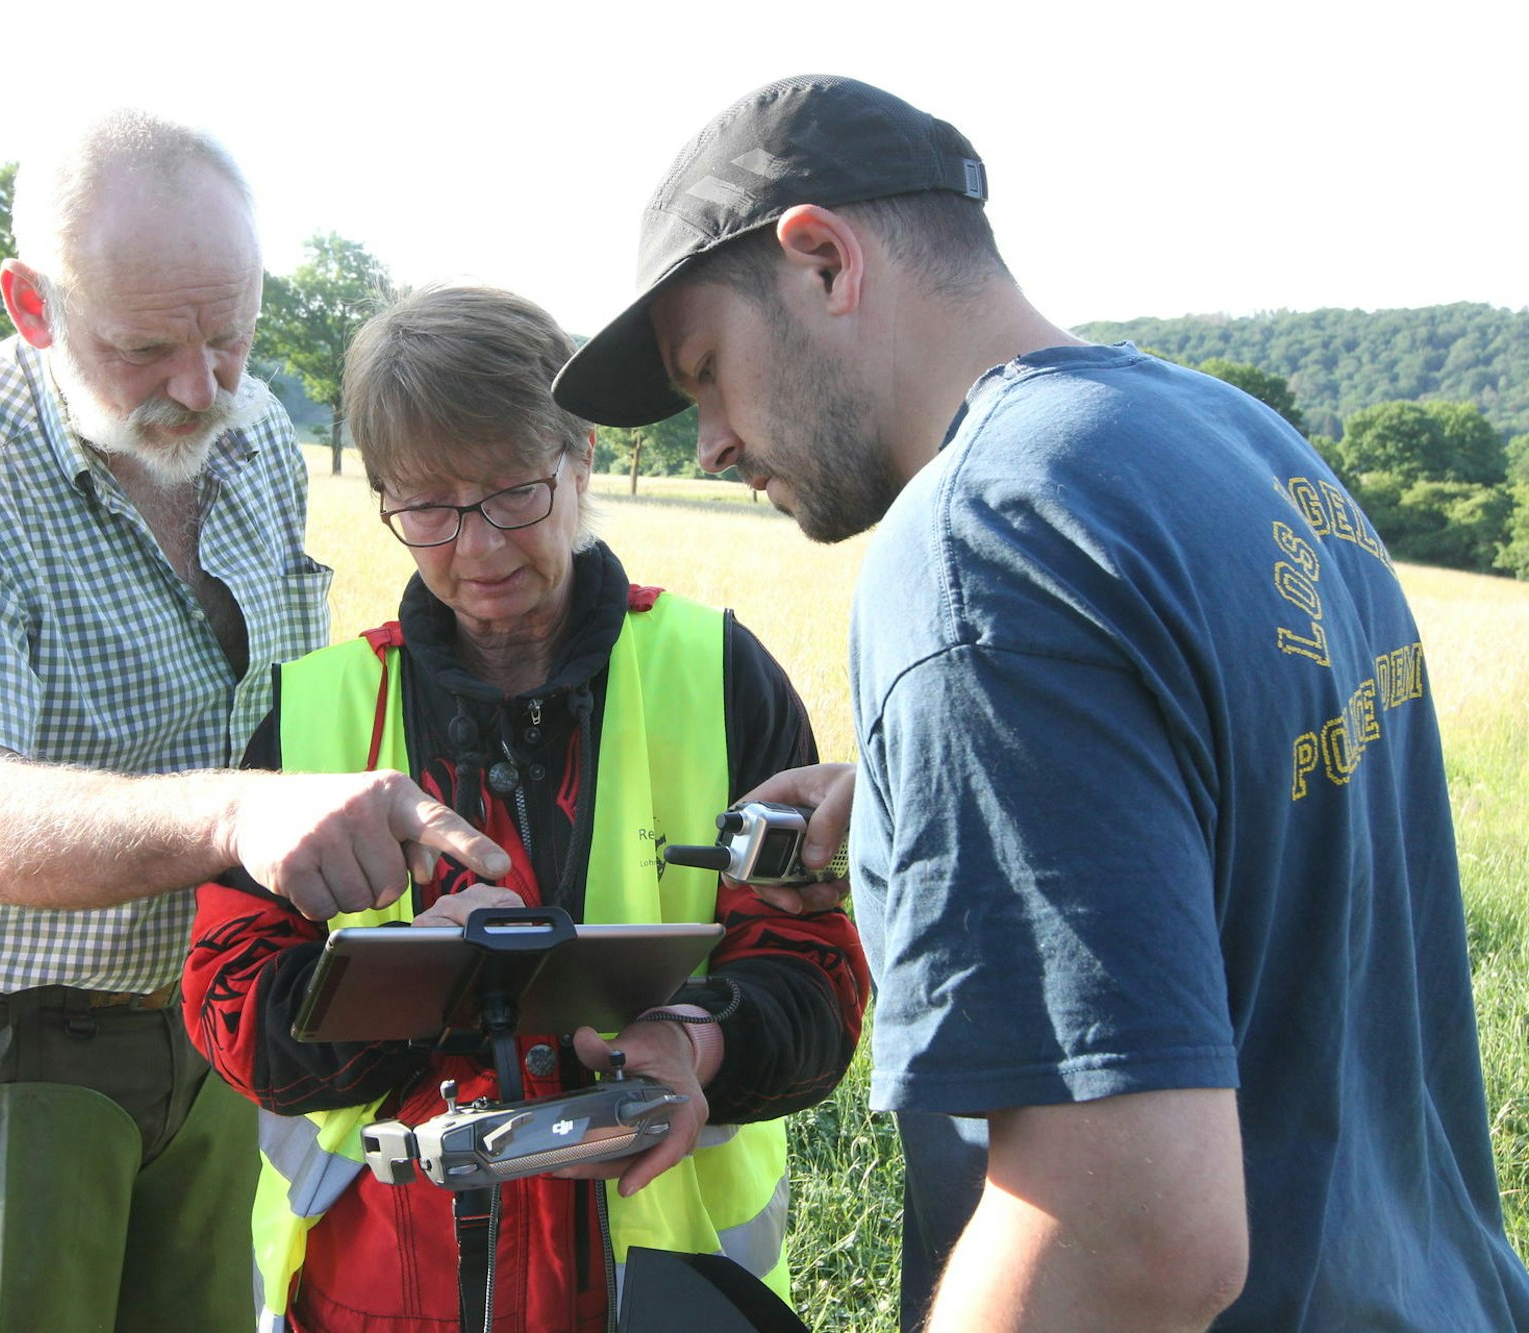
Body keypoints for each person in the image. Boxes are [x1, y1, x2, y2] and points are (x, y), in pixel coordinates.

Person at [552, 74, 1529, 1332]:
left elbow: (1128, 1230)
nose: (709, 446)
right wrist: (918, 800)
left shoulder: (978, 540)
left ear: (821, 259)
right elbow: (1239, 821)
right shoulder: (1245, 448)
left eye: (705, 372)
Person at [0, 111, 507, 1333]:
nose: (201, 388)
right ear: (31, 305)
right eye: (145, 348)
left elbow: (292, 715)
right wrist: (239, 812)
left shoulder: (253, 442)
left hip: (214, 1030)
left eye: (230, 335)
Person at [182, 284, 869, 1333]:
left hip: (662, 1293)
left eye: (513, 492)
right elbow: (227, 1007)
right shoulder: (315, 710)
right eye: (427, 506)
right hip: (372, 1298)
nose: (479, 547)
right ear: (381, 499)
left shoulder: (717, 673)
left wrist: (695, 1043)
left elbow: (816, 976)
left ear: (580, 457)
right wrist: (410, 978)